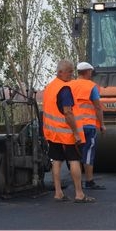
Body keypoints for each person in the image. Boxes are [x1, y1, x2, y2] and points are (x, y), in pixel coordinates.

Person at [42, 59, 95, 203]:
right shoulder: (64, 89)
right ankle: (79, 194)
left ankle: (58, 193)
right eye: (69, 72)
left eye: (72, 71)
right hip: (66, 132)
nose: (71, 74)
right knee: (74, 160)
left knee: (57, 160)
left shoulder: (49, 87)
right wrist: (76, 132)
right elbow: (68, 112)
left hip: (53, 132)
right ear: (60, 72)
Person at [71, 62, 106, 190]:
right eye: (90, 71)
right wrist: (102, 124)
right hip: (88, 125)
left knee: (74, 154)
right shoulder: (91, 86)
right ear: (87, 72)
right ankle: (89, 181)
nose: (91, 74)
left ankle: (77, 182)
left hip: (73, 125)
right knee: (88, 152)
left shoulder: (70, 85)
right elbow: (98, 107)